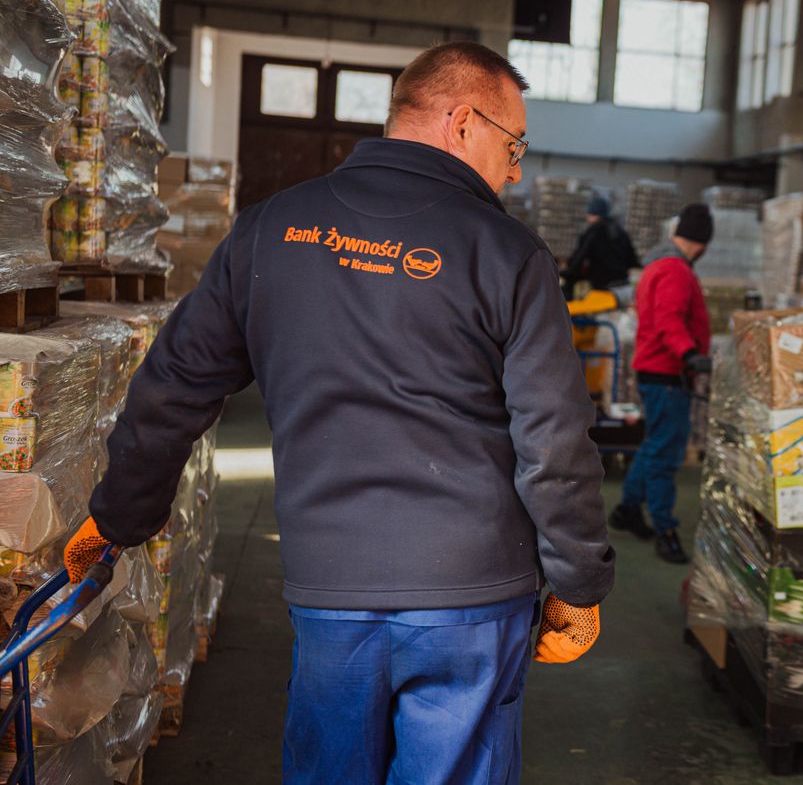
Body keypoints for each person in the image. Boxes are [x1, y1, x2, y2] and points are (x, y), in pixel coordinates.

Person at [62, 42, 615, 784]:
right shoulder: (508, 253)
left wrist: (118, 518)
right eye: (513, 146)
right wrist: (577, 584)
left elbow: (174, 385)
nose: (514, 171)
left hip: (331, 590)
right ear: (462, 123)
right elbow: (555, 440)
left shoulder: (271, 229)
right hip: (471, 598)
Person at [607, 204, 713, 564]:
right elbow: (670, 320)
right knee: (665, 455)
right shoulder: (676, 270)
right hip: (667, 373)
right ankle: (666, 530)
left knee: (654, 445)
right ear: (702, 242)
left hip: (657, 372)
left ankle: (628, 509)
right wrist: (689, 354)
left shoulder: (657, 265)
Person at [560, 195, 640, 299]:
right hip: (624, 287)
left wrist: (567, 273)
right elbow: (633, 262)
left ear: (591, 214)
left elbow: (578, 259)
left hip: (603, 289)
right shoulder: (621, 231)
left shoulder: (593, 232)